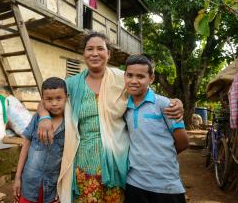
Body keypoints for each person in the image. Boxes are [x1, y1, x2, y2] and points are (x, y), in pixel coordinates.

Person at [37, 32, 184, 202]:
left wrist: (176, 102)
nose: (95, 53)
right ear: (83, 53)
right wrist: (43, 117)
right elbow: (46, 100)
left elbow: (147, 94)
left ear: (108, 54)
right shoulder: (71, 84)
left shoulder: (123, 78)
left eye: (100, 48)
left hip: (117, 161)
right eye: (89, 49)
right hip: (83, 162)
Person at [123, 54, 189, 203]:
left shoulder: (165, 105)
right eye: (130, 75)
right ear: (124, 76)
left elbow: (183, 142)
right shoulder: (123, 106)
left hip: (166, 185)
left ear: (151, 79)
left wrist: (161, 156)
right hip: (134, 183)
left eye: (140, 76)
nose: (134, 81)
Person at [13, 77, 67, 203]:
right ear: (42, 100)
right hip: (29, 183)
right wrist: (17, 178)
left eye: (58, 98)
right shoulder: (37, 118)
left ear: (66, 98)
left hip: (52, 186)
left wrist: (62, 188)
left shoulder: (69, 124)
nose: (54, 103)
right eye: (49, 99)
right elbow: (25, 146)